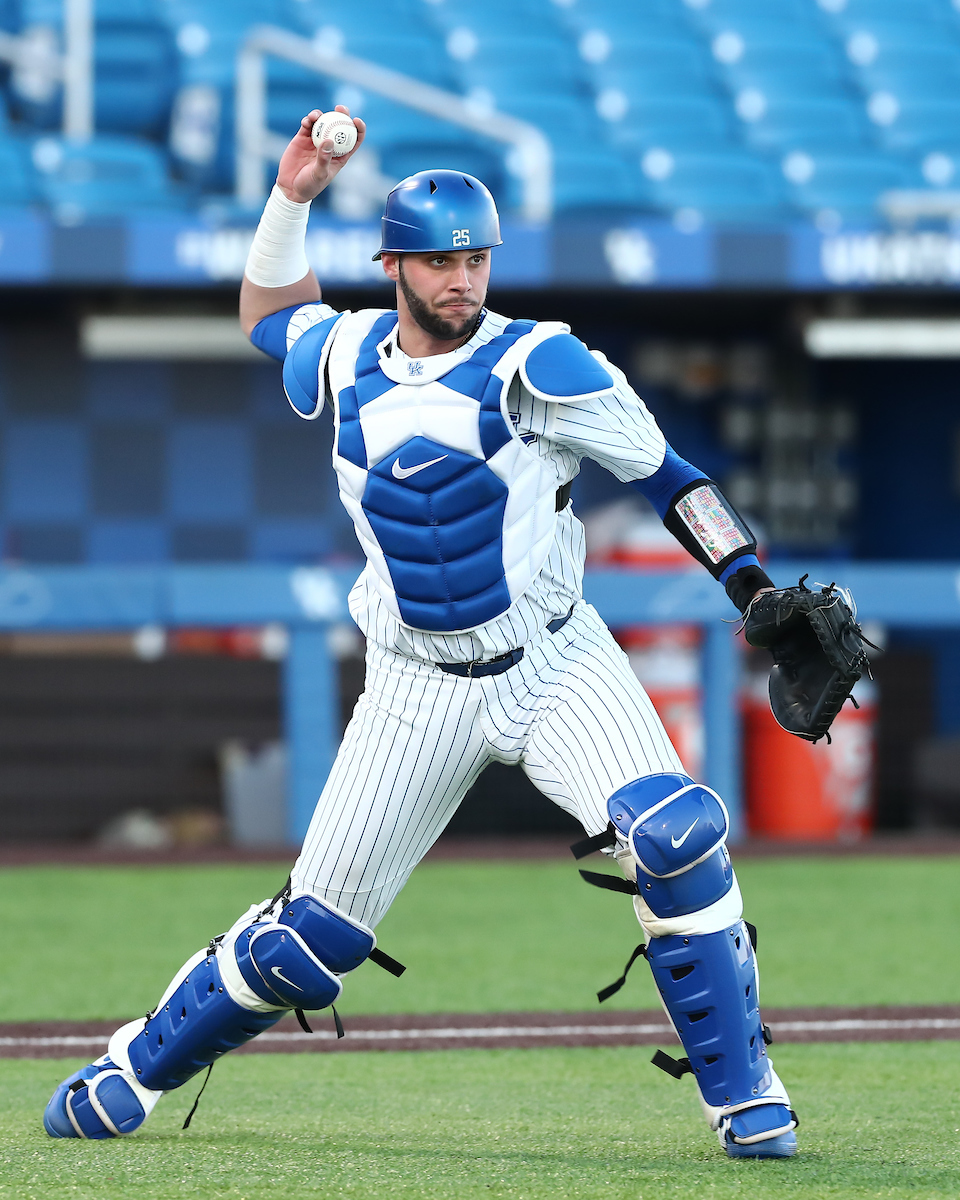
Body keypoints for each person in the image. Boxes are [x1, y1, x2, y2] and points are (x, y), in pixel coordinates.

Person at [44, 107, 797, 1158]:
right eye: (441, 261)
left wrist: (750, 584)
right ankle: (133, 1068)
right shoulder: (346, 351)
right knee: (309, 943)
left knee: (678, 837)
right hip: (415, 683)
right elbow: (269, 312)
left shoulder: (543, 362)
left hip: (554, 661)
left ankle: (745, 1093)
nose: (462, 280)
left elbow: (670, 476)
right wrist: (292, 195)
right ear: (394, 264)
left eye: (476, 259)